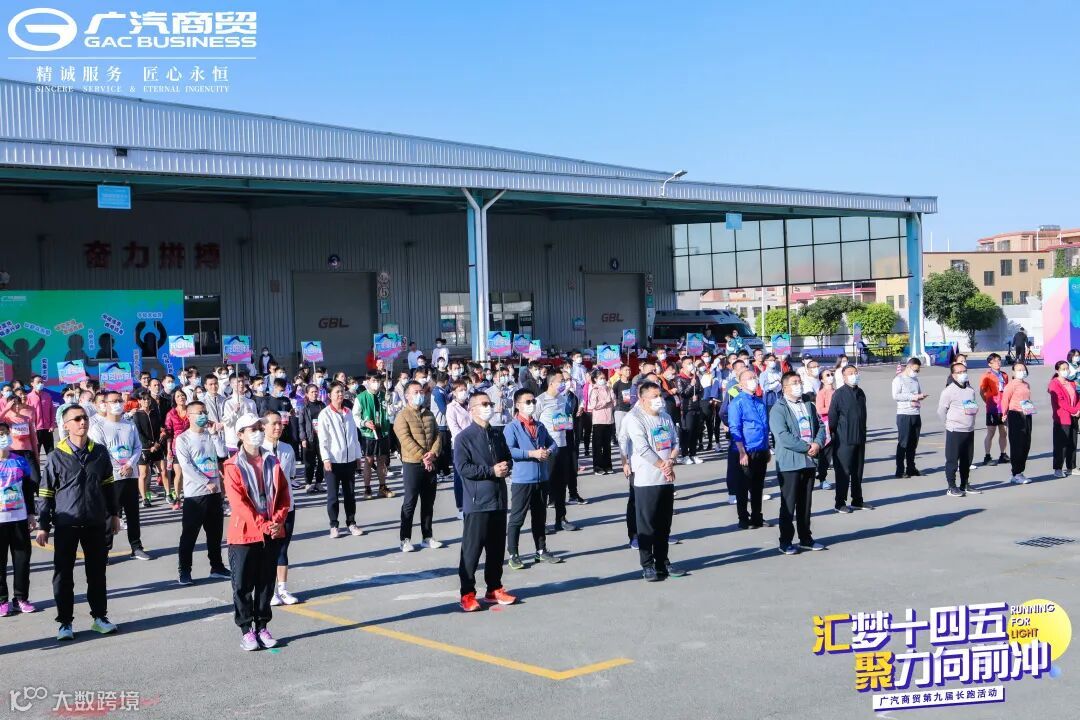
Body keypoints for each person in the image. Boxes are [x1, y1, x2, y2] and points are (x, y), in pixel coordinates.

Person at [36, 404, 120, 641]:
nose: (83, 422)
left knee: (97, 573)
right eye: (76, 419)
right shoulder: (56, 456)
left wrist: (114, 515)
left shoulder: (99, 452)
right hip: (66, 523)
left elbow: (109, 485)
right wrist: (43, 526)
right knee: (63, 575)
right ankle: (65, 622)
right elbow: (46, 493)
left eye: (84, 418)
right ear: (66, 425)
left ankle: (100, 618)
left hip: (95, 522)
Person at [223, 414, 290, 651]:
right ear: (240, 434)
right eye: (252, 429)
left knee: (266, 584)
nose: (258, 432)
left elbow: (284, 495)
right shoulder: (232, 465)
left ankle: (262, 626)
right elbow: (239, 503)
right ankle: (246, 630)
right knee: (242, 585)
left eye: (259, 427)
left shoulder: (272, 460)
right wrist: (263, 524)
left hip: (271, 532)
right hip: (244, 535)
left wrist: (278, 520)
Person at [453, 391, 516, 611]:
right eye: (484, 404)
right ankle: (467, 593)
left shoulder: (497, 434)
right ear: (472, 410)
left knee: (496, 548)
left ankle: (494, 587)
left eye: (490, 403)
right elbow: (463, 468)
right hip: (477, 502)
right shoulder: (464, 438)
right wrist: (491, 471)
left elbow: (508, 457)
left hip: (498, 499)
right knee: (472, 550)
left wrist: (506, 466)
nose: (489, 407)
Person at [623, 381, 684, 581]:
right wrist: (663, 465)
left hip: (666, 478)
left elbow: (675, 442)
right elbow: (642, 448)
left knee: (664, 524)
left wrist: (671, 461)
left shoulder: (665, 417)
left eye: (660, 396)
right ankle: (647, 565)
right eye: (654, 397)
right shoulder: (634, 418)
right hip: (646, 479)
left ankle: (662, 562)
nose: (659, 400)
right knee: (647, 525)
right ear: (642, 399)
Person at [503, 389, 562, 569]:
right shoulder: (511, 427)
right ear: (518, 405)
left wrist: (548, 452)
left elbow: (553, 444)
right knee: (517, 518)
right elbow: (510, 451)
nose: (531, 405)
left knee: (540, 517)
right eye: (527, 402)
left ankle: (541, 550)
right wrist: (532, 453)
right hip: (522, 480)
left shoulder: (540, 426)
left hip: (541, 478)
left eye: (533, 402)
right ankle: (513, 554)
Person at [173, 400, 230, 585]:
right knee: (189, 535)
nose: (204, 415)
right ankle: (184, 571)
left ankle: (217, 566)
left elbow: (222, 454)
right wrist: (206, 482)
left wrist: (214, 434)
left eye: (205, 412)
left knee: (215, 533)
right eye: (200, 413)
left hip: (215, 494)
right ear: (189, 416)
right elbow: (186, 466)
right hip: (195, 495)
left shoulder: (210, 434)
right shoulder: (183, 439)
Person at [769, 373, 827, 555]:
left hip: (809, 461)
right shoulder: (778, 409)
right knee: (789, 503)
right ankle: (785, 541)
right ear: (785, 387)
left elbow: (821, 426)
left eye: (799, 382)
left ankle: (805, 538)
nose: (798, 385)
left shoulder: (808, 404)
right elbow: (782, 436)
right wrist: (806, 447)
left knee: (805, 503)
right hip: (790, 463)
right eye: (794, 383)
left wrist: (817, 444)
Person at [89, 391, 149, 561]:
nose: (118, 404)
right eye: (113, 401)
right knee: (109, 514)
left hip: (130, 475)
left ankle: (136, 547)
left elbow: (137, 447)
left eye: (119, 401)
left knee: (133, 513)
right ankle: (105, 549)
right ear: (105, 404)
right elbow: (101, 452)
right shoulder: (98, 427)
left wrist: (129, 464)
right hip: (111, 478)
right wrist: (119, 467)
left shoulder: (129, 425)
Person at [393, 381, 443, 552]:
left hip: (430, 463)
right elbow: (405, 439)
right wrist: (423, 456)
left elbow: (437, 435)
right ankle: (405, 539)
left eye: (421, 392)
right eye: (416, 392)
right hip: (413, 464)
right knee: (410, 502)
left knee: (428, 502)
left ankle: (427, 536)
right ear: (407, 395)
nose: (419, 395)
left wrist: (433, 453)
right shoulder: (402, 416)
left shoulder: (429, 414)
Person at [262, 410, 300, 605]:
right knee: (267, 551)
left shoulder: (288, 449)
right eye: (273, 424)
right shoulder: (258, 449)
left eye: (280, 423)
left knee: (283, 549)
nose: (278, 427)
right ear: (263, 426)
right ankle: (268, 591)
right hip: (266, 509)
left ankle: (283, 590)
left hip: (287, 507)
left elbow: (291, 474)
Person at [317, 382, 364, 538]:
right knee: (333, 496)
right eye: (337, 392)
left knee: (350, 494)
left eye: (342, 391)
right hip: (333, 462)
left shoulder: (348, 412)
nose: (340, 394)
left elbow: (354, 437)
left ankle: (351, 523)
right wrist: (326, 459)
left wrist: (358, 457)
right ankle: (334, 525)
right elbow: (323, 440)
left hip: (349, 461)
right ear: (329, 395)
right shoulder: (325, 414)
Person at [0, 422, 37, 616]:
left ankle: (21, 598)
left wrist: (31, 513)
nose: (3, 437)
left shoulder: (20, 461)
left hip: (19, 519)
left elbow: (28, 489)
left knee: (22, 561)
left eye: (5, 433)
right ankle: (2, 600)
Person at [536, 373, 579, 532]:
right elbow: (534, 423)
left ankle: (561, 519)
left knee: (561, 485)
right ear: (551, 383)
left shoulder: (562, 399)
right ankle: (541, 522)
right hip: (547, 449)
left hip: (563, 446)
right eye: (561, 381)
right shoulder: (540, 400)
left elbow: (566, 419)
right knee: (545, 486)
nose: (564, 383)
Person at [728, 370, 770, 529]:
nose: (753, 380)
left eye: (754, 377)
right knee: (743, 486)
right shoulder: (737, 402)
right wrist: (741, 452)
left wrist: (767, 447)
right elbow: (735, 428)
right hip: (745, 450)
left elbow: (764, 426)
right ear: (741, 383)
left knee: (758, 485)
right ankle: (743, 518)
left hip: (761, 448)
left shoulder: (759, 401)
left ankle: (757, 516)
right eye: (749, 378)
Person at [828, 365, 873, 513]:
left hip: (859, 437)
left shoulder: (861, 393)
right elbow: (832, 418)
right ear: (844, 377)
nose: (854, 375)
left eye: (855, 372)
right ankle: (839, 502)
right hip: (844, 439)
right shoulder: (839, 394)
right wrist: (836, 434)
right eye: (850, 373)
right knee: (843, 472)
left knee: (858, 471)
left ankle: (857, 500)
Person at [938, 363, 981, 497]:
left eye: (964, 371)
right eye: (959, 372)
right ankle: (951, 487)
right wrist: (948, 424)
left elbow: (971, 407)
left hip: (969, 429)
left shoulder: (970, 390)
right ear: (953, 375)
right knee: (952, 460)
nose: (963, 374)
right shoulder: (948, 391)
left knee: (967, 459)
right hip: (955, 430)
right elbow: (941, 411)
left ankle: (965, 484)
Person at [353, 375, 394, 499]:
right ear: (368, 382)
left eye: (378, 380)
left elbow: (391, 413)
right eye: (373, 381)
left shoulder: (384, 395)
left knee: (382, 460)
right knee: (369, 461)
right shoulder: (361, 397)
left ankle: (382, 487)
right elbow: (355, 415)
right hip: (368, 433)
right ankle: (367, 488)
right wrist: (364, 423)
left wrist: (390, 403)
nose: (376, 383)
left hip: (383, 431)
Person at [892, 358, 928, 479]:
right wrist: (913, 397)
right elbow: (896, 396)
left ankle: (911, 467)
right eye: (915, 370)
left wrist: (920, 396)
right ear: (908, 367)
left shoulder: (915, 379)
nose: (916, 372)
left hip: (915, 413)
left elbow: (918, 393)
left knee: (913, 442)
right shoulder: (898, 379)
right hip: (904, 414)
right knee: (903, 442)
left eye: (918, 370)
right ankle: (900, 470)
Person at [1001, 362, 1034, 484]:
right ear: (1013, 372)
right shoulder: (1011, 385)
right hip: (1015, 415)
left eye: (1023, 369)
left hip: (1027, 414)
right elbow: (1005, 400)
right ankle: (1016, 473)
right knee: (1017, 444)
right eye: (1019, 370)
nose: (1022, 372)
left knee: (1026, 443)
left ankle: (1019, 472)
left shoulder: (1026, 384)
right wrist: (1004, 414)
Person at [0, 390, 39, 487]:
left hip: (27, 452)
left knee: (35, 479)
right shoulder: (6, 419)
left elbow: (33, 438)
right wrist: (6, 408)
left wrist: (36, 454)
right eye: (14, 404)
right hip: (13, 453)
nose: (17, 406)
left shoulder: (27, 418)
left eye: (18, 404)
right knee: (19, 481)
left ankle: (31, 497)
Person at [1048, 360, 1080, 478]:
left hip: (1074, 416)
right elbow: (1060, 401)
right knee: (1061, 444)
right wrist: (1074, 410)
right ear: (1057, 370)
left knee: (1072, 442)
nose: (1066, 371)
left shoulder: (1071, 383)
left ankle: (1071, 467)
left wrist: (1078, 410)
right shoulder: (1054, 384)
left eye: (1067, 368)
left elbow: (1077, 397)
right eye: (1063, 369)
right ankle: (1058, 468)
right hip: (1062, 418)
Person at [978, 353, 1010, 467]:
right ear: (989, 364)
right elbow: (982, 391)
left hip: (1004, 408)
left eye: (999, 360)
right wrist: (988, 402)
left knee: (1004, 432)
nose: (998, 363)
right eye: (995, 361)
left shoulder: (1004, 375)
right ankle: (987, 456)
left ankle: (1003, 454)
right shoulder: (986, 376)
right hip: (992, 408)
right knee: (991, 432)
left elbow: (1007, 390)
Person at [446, 379, 472, 516]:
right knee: (460, 476)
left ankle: (472, 503)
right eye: (460, 390)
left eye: (465, 389)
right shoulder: (451, 407)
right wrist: (467, 439)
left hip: (474, 444)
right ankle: (461, 506)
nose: (463, 392)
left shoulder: (471, 404)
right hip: (459, 444)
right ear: (454, 392)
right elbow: (454, 428)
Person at [163, 388, 191, 510]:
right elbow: (169, 433)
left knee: (189, 473)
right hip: (177, 447)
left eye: (183, 395)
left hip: (192, 447)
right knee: (178, 473)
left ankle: (191, 497)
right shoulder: (171, 414)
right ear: (174, 399)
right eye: (178, 396)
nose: (181, 398)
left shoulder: (191, 411)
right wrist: (169, 449)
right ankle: (178, 498)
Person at [675, 358, 704, 465]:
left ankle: (693, 454)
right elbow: (682, 393)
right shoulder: (679, 378)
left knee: (695, 432)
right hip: (686, 408)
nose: (691, 365)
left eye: (692, 363)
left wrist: (698, 396)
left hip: (696, 407)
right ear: (683, 365)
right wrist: (691, 385)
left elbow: (701, 390)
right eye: (689, 363)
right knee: (687, 432)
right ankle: (685, 455)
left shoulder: (695, 377)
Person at [298, 384, 326, 493]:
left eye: (316, 392)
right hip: (309, 438)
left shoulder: (322, 405)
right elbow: (301, 424)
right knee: (309, 462)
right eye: (312, 392)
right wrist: (303, 438)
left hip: (321, 437)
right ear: (307, 394)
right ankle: (308, 483)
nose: (315, 394)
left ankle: (318, 482)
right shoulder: (304, 407)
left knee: (322, 461)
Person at [589, 368, 616, 475]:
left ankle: (608, 466)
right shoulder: (594, 390)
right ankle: (597, 467)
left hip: (609, 420)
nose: (603, 380)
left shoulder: (609, 388)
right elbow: (594, 405)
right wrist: (606, 401)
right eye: (600, 378)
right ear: (595, 379)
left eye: (604, 378)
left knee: (607, 445)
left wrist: (610, 392)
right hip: (598, 421)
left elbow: (614, 402)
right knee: (597, 445)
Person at [814, 368, 836, 490]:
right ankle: (822, 479)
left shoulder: (837, 391)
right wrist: (833, 408)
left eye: (831, 374)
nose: (830, 376)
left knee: (839, 453)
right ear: (822, 379)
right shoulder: (821, 393)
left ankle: (842, 476)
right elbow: (819, 410)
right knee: (826, 454)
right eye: (827, 375)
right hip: (827, 426)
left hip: (839, 425)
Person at [27, 375, 55, 456]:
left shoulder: (47, 396)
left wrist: (52, 425)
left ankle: (51, 465)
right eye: (38, 382)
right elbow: (27, 414)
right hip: (35, 430)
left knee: (51, 453)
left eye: (41, 382)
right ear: (32, 383)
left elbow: (52, 411)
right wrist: (31, 428)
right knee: (36, 454)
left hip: (48, 429)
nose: (40, 384)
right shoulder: (28, 397)